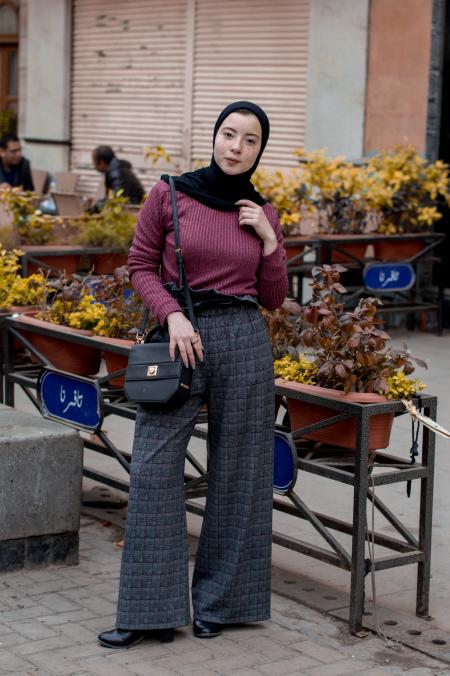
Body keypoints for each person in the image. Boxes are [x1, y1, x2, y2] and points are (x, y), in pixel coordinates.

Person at [98, 101, 289, 649]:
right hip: (178, 337)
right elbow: (139, 265)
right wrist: (173, 314)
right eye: (229, 134)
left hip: (244, 340)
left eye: (249, 140)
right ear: (214, 136)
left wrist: (271, 242)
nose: (236, 146)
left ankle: (221, 605)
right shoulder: (171, 193)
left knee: (242, 474)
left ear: (259, 150)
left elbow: (272, 298)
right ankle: (147, 611)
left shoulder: (262, 211)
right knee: (154, 469)